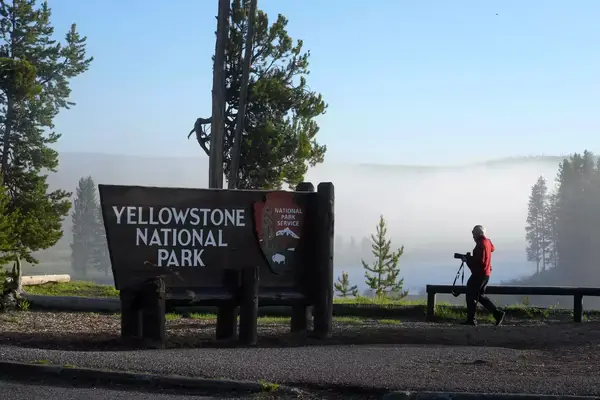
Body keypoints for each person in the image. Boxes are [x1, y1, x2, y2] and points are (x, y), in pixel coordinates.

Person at [461, 225, 506, 326]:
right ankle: (497, 314)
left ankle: (471, 320)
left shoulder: (480, 244)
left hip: (478, 274)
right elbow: (490, 250)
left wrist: (467, 260)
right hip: (486, 274)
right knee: (480, 296)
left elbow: (479, 261)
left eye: (473, 233)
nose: (472, 236)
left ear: (477, 234)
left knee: (470, 295)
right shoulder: (487, 242)